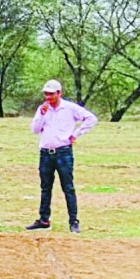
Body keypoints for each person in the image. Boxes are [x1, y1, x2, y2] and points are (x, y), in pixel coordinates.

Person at [26, 79, 97, 234]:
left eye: (51, 94)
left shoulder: (70, 108)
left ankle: (73, 221)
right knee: (45, 187)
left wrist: (76, 134)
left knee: (68, 187)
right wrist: (42, 114)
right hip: (46, 153)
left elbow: (91, 118)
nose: (48, 97)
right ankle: (44, 219)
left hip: (63, 152)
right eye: (46, 94)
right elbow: (35, 129)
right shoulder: (42, 109)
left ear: (59, 93)